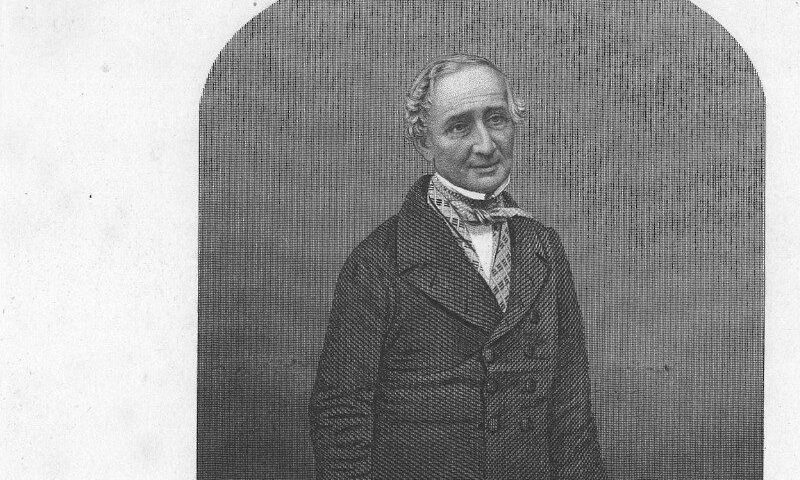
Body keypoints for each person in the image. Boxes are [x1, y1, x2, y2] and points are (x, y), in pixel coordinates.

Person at [309, 54, 607, 480]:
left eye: (496, 119)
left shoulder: (544, 248)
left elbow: (571, 415)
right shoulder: (379, 261)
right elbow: (341, 416)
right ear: (424, 142)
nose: (485, 145)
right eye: (459, 127)